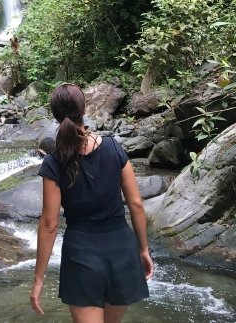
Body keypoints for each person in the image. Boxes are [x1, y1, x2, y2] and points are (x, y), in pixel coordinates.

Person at [30, 83, 153, 322]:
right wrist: (144, 250)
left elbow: (49, 224)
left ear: (55, 116)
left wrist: (38, 279)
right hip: (122, 250)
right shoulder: (113, 148)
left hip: (81, 255)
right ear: (84, 109)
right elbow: (136, 204)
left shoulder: (54, 163)